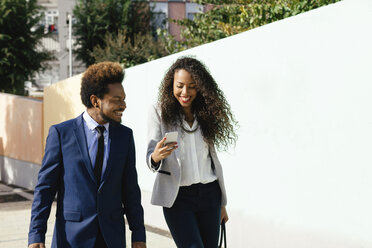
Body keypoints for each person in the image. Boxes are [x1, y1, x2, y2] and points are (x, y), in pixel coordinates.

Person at [28, 62, 146, 248]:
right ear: (95, 100)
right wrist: (36, 235)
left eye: (123, 99)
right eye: (116, 100)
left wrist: (138, 234)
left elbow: (130, 188)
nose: (123, 105)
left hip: (112, 237)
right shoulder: (61, 134)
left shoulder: (125, 136)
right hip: (71, 237)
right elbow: (45, 188)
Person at [146, 57, 237, 248]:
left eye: (192, 86)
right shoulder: (159, 112)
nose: (185, 92)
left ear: (200, 87)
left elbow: (211, 160)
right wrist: (156, 157)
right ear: (171, 85)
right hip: (178, 198)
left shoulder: (206, 113)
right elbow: (150, 157)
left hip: (210, 195)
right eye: (179, 86)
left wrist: (221, 204)